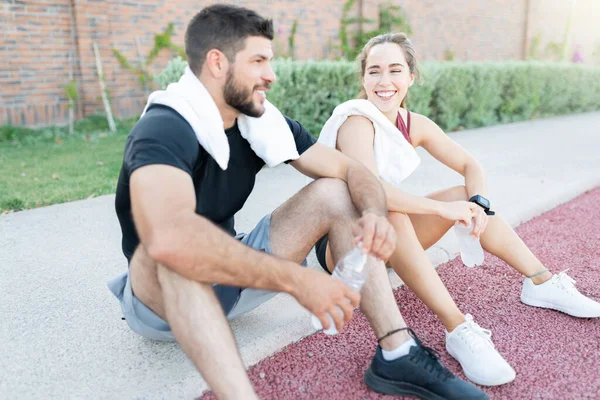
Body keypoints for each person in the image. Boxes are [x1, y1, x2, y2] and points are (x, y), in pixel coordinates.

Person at [107, 5, 487, 400]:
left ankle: (398, 351)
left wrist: (375, 213)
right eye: (258, 62)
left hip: (234, 283)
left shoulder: (259, 120)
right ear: (217, 63)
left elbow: (352, 172)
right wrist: (298, 280)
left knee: (337, 191)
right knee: (166, 255)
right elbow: (171, 240)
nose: (270, 75)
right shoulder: (163, 129)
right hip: (161, 305)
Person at [315, 32, 600, 387]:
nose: (384, 81)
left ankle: (540, 281)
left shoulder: (412, 123)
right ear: (363, 79)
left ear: (411, 77)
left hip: (388, 239)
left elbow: (471, 166)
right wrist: (441, 211)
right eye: (374, 71)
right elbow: (374, 195)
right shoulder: (355, 121)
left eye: (394, 70)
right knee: (402, 211)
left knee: (463, 195)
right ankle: (458, 328)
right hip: (344, 244)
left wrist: (477, 204)